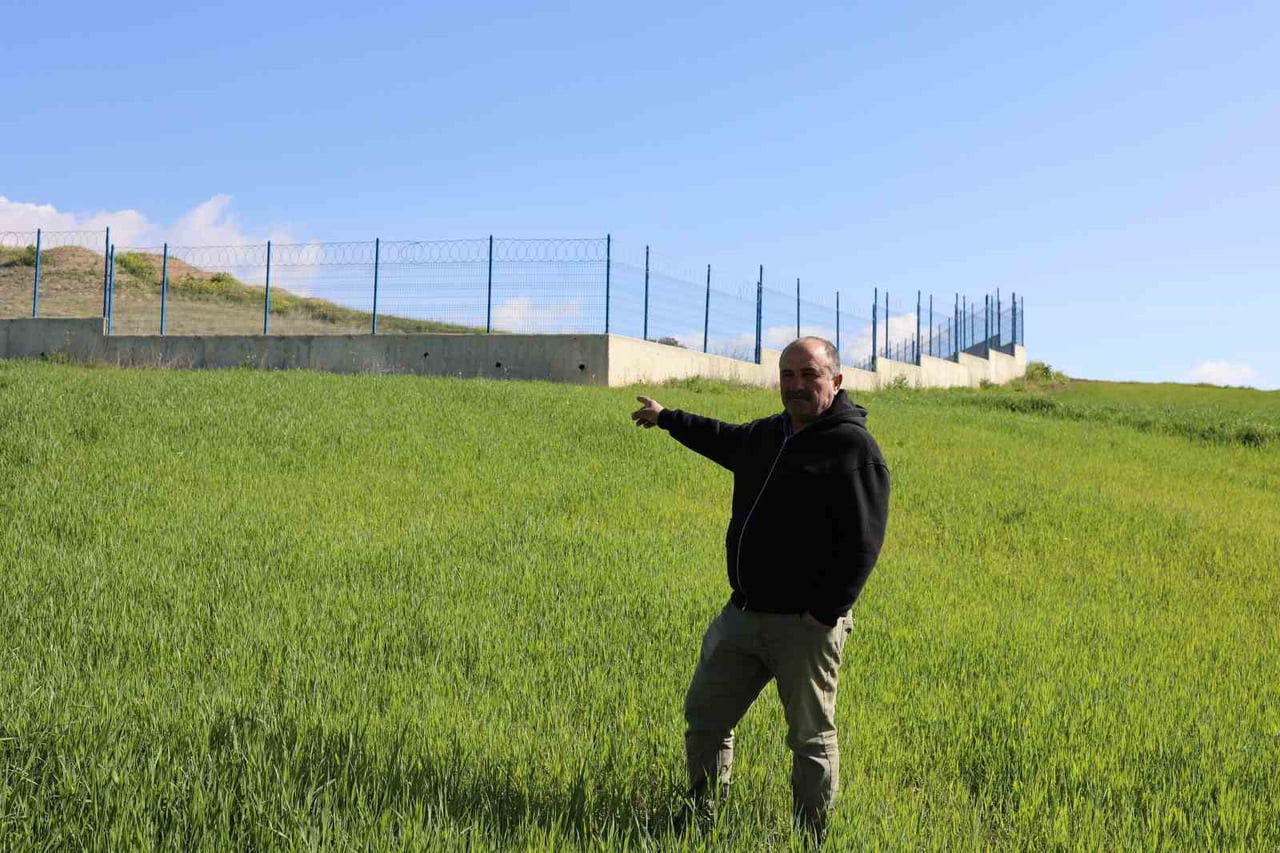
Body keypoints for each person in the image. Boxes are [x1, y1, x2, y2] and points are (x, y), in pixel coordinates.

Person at [630, 336, 890, 845]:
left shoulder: (853, 448)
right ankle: (703, 814)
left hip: (805, 627)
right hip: (743, 615)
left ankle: (811, 834)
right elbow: (721, 438)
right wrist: (667, 418)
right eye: (787, 375)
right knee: (706, 716)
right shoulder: (770, 435)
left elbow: (864, 544)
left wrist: (825, 612)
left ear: (836, 381)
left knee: (810, 738)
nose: (795, 385)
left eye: (809, 375)